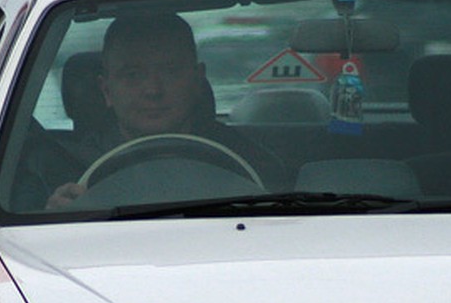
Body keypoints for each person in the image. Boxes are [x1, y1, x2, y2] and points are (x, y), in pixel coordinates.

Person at [44, 12, 280, 208]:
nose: (153, 90)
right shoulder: (63, 171)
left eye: (170, 71)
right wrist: (52, 219)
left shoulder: (248, 162)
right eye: (133, 75)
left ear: (198, 80)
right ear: (106, 90)